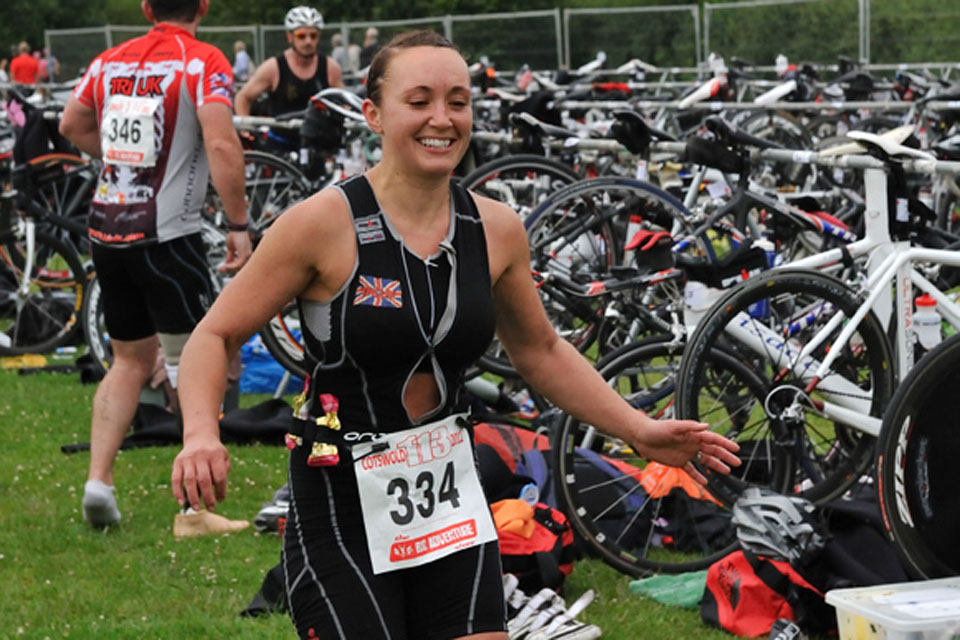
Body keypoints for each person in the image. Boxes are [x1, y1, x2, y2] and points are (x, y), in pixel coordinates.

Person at [171, 30, 740, 639]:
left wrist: (638, 428)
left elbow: (540, 349)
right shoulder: (319, 224)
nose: (441, 119)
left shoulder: (494, 228)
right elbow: (216, 334)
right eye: (419, 101)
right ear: (374, 114)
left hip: (445, 488)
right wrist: (201, 432)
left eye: (458, 101)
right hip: (338, 487)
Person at [59, 0, 252, 528]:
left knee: (129, 361)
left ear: (146, 7)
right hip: (169, 235)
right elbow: (220, 141)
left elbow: (71, 123)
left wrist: (122, 163)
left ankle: (98, 482)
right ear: (204, 6)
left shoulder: (110, 60)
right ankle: (193, 509)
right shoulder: (203, 60)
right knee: (199, 362)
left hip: (107, 230)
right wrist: (239, 225)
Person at [234, 5, 343, 117]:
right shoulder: (273, 68)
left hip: (321, 133)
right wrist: (245, 129)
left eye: (313, 35)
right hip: (281, 132)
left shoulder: (330, 67)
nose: (308, 41)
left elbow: (345, 103)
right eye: (301, 36)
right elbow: (243, 97)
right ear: (290, 37)